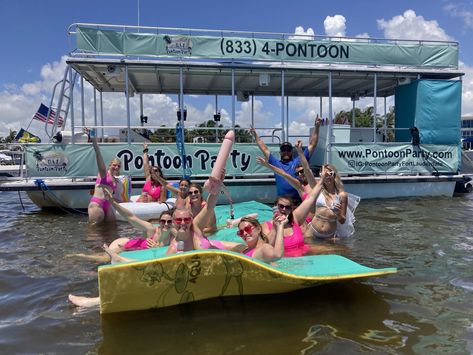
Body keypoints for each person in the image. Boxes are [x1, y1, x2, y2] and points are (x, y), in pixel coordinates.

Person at [249, 115, 321, 200]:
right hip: (282, 203)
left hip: (298, 201)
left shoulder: (298, 161)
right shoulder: (275, 163)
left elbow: (312, 145)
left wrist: (317, 127)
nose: (286, 152)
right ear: (280, 152)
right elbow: (264, 148)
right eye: (283, 150)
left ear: (292, 151)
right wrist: (255, 135)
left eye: (288, 149)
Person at [261, 177, 325, 257]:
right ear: (275, 207)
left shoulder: (294, 220)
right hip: (285, 261)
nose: (284, 209)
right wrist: (275, 228)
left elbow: (311, 198)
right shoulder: (266, 226)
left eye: (287, 207)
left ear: (291, 210)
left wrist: (322, 179)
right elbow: (266, 248)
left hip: (304, 257)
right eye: (281, 206)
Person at [306, 164, 349, 239]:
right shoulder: (318, 190)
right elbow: (307, 170)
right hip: (312, 232)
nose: (327, 176)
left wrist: (338, 214)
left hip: (329, 236)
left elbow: (342, 221)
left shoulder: (342, 195)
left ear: (335, 175)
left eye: (330, 174)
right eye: (324, 174)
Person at [87, 136, 121, 224]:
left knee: (112, 230)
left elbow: (110, 196)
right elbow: (100, 163)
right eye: (114, 165)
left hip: (108, 205)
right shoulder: (103, 173)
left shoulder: (116, 180)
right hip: (97, 204)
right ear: (110, 165)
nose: (116, 167)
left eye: (118, 166)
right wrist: (96, 148)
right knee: (95, 233)